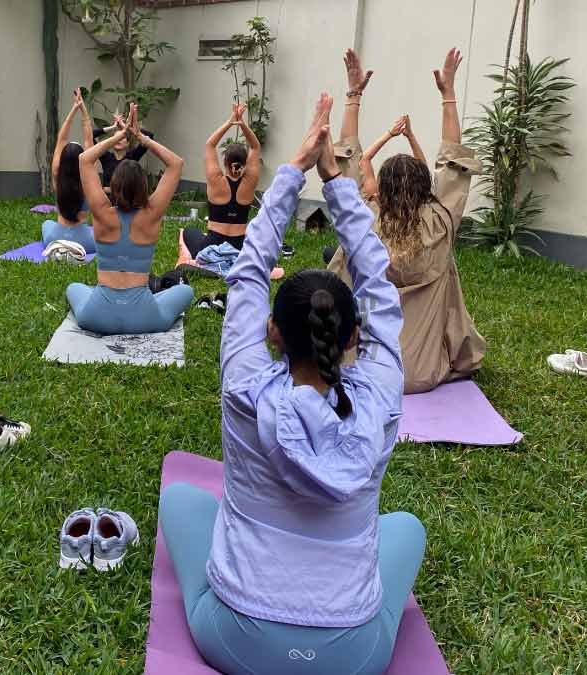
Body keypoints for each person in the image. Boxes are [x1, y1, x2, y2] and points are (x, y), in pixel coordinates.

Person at [158, 91, 425, 675]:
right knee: (405, 527)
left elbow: (249, 270)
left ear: (272, 333)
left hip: (237, 643)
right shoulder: (379, 397)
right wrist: (338, 184)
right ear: (356, 338)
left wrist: (294, 172)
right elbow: (379, 282)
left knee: (181, 498)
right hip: (353, 656)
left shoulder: (245, 388)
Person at [327, 48, 486, 394]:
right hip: (421, 374)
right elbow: (453, 159)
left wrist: (353, 96)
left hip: (360, 370)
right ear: (424, 188)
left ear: (380, 188)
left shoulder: (363, 223)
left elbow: (346, 163)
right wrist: (448, 94)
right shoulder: (441, 224)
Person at [70, 105, 193, 335]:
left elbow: (85, 160)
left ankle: (106, 301)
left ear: (113, 186)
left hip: (97, 316)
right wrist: (140, 138)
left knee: (74, 287)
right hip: (144, 318)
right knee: (185, 292)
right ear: (144, 186)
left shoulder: (102, 212)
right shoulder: (151, 214)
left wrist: (118, 135)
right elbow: (176, 163)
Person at [181, 103, 262, 258]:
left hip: (212, 245)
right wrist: (242, 124)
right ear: (244, 164)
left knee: (190, 231)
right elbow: (255, 147)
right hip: (238, 246)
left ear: (225, 161)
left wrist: (230, 121)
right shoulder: (250, 182)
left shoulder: (215, 180)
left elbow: (210, 145)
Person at [42, 87, 96, 252]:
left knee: (46, 224)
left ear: (62, 161)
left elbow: (61, 138)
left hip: (55, 239)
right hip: (85, 242)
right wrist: (82, 109)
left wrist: (73, 109)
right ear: (82, 160)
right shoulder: (88, 178)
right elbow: (89, 139)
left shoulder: (57, 175)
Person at [92, 111, 155, 191]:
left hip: (126, 200)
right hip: (107, 201)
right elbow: (91, 135)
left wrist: (127, 127)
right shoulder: (106, 157)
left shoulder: (132, 156)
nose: (118, 140)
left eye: (122, 138)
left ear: (128, 143)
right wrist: (112, 127)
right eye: (116, 138)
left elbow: (150, 136)